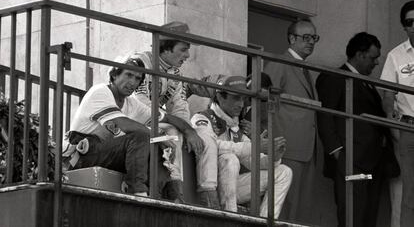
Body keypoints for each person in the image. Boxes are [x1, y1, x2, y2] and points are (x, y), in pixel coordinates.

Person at [63, 56, 201, 197]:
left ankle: (160, 196)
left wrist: (189, 130)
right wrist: (159, 137)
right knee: (141, 137)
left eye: (137, 78)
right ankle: (138, 191)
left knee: (156, 148)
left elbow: (168, 117)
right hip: (85, 154)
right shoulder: (100, 91)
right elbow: (124, 125)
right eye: (128, 75)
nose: (132, 82)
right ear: (115, 75)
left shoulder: (132, 103)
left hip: (108, 153)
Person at [316, 32, 399, 227]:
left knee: (368, 217)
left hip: (373, 163)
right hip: (352, 161)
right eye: (373, 58)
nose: (376, 63)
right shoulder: (335, 77)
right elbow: (325, 116)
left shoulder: (366, 83)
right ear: (360, 55)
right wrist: (339, 155)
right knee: (352, 215)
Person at [191, 75, 292, 218]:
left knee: (284, 171)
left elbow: (254, 162)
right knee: (230, 158)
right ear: (220, 97)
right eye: (236, 98)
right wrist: (255, 147)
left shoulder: (237, 128)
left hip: (230, 188)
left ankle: (265, 222)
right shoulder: (202, 118)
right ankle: (230, 218)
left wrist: (274, 155)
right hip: (206, 190)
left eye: (243, 99)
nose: (241, 104)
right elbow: (211, 145)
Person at [132, 21, 204, 202]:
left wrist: (187, 129)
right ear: (166, 48)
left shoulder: (175, 72)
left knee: (179, 131)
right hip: (126, 125)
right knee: (171, 131)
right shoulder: (140, 62)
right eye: (183, 49)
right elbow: (139, 106)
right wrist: (183, 127)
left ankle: (177, 187)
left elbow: (179, 105)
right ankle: (174, 191)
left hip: (153, 123)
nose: (187, 55)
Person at [263, 18, 319, 223]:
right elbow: (264, 100)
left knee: (301, 205)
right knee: (286, 204)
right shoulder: (280, 63)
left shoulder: (304, 68)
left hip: (307, 147)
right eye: (306, 37)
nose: (311, 42)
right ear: (292, 38)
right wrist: (271, 140)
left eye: (314, 37)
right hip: (287, 145)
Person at [380, 0, 414, 227]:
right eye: (410, 22)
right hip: (408, 128)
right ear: (404, 26)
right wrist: (394, 129)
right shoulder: (396, 55)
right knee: (409, 192)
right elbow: (387, 95)